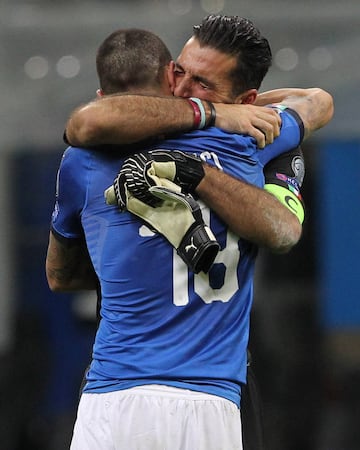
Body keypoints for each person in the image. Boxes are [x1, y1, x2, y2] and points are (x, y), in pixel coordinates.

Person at [46, 18, 333, 450]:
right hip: (208, 399)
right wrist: (225, 110)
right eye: (180, 73)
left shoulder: (85, 160)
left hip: (117, 395)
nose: (181, 90)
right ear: (167, 73)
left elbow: (60, 276)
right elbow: (316, 101)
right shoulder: (245, 142)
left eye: (202, 83)